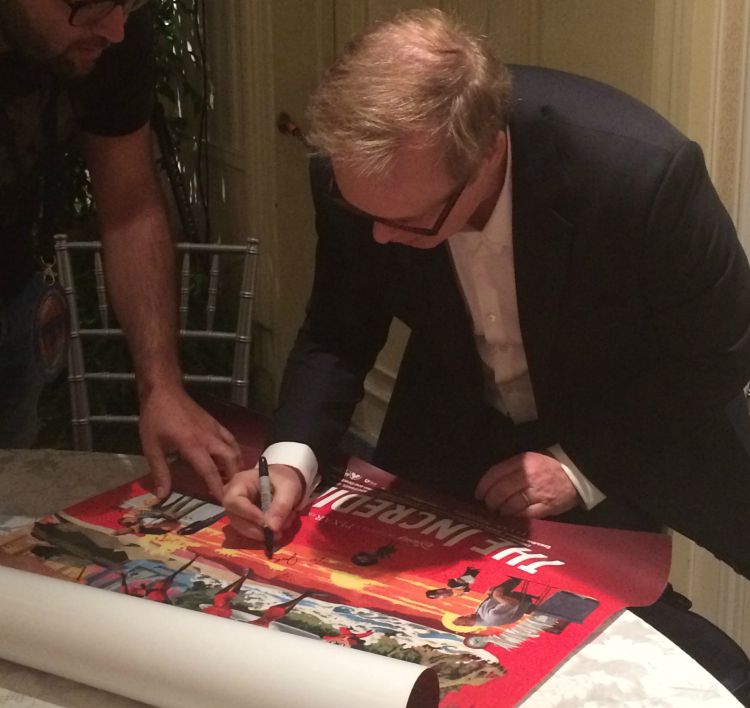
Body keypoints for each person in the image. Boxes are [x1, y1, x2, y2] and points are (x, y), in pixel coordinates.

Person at [223, 10, 750, 578]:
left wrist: (581, 467)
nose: (379, 237)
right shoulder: (357, 176)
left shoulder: (641, 175)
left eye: (409, 221)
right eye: (362, 213)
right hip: (453, 409)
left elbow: (721, 349)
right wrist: (288, 459)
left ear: (489, 155)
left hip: (626, 411)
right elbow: (337, 327)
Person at [0, 0, 241, 500]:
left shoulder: (114, 30)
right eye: (90, 6)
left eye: (129, 4)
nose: (115, 29)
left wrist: (161, 385)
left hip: (15, 297)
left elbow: (129, 207)